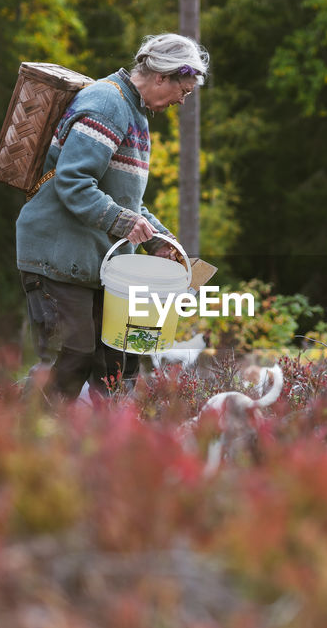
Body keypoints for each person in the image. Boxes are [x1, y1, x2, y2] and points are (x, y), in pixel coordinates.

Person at [16, 33, 208, 401]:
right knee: (70, 358)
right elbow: (72, 183)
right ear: (161, 77)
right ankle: (23, 443)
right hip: (58, 256)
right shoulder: (107, 103)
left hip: (94, 263)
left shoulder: (134, 113)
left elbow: (125, 201)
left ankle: (111, 450)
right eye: (182, 91)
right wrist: (124, 223)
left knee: (117, 360)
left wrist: (161, 242)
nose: (182, 101)